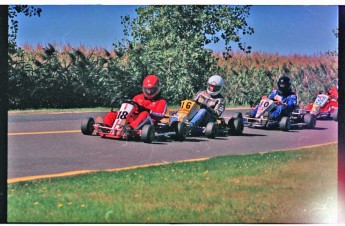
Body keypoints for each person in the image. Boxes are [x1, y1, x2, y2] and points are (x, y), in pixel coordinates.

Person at [103, 74, 167, 130]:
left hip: (149, 123)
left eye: (152, 89)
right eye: (147, 89)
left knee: (144, 113)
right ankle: (106, 126)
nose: (149, 92)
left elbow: (160, 115)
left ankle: (130, 129)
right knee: (114, 113)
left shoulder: (161, 101)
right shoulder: (138, 97)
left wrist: (148, 111)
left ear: (157, 88)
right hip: (133, 120)